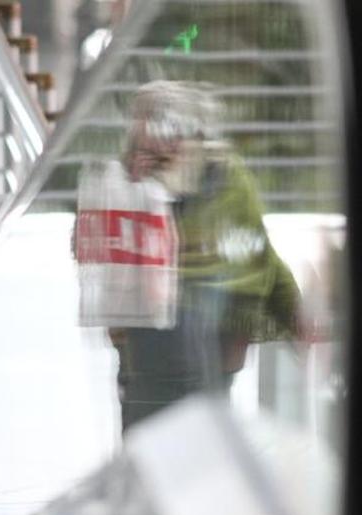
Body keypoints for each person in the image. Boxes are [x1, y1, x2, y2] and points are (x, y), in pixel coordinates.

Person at [103, 81, 301, 432]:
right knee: (152, 435)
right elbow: (113, 262)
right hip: (150, 345)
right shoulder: (129, 180)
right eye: (141, 136)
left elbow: (256, 250)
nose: (152, 150)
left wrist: (295, 315)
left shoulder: (225, 175)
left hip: (215, 336)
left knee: (200, 433)